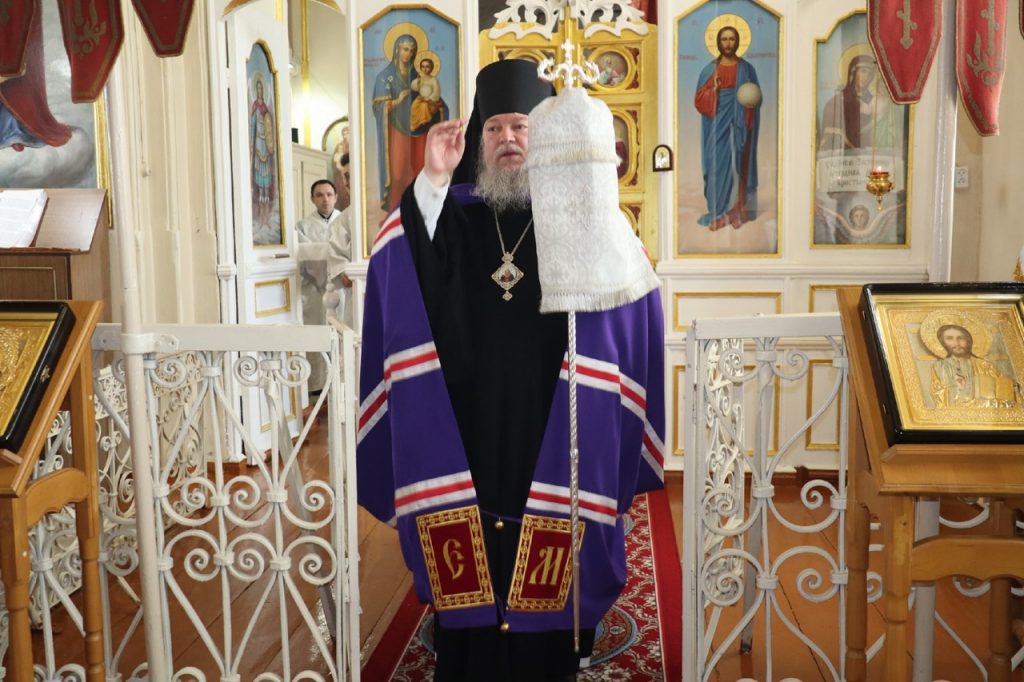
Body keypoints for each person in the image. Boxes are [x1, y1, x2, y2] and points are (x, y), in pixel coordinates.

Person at [356, 59, 665, 681]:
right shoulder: (454, 213)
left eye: (521, 126)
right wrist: (432, 177)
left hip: (553, 418)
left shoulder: (582, 214)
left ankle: (551, 659)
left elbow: (632, 294)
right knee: (469, 551)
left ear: (541, 134)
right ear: (478, 139)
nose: (508, 140)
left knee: (553, 544)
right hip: (465, 420)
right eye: (494, 128)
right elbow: (407, 258)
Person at [371, 34, 448, 214]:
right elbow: (378, 107)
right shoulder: (385, 77)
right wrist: (398, 101)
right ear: (397, 49)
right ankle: (397, 215)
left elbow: (440, 103)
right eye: (405, 49)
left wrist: (434, 106)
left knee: (421, 171)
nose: (408, 54)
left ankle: (422, 215)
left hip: (420, 131)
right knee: (398, 174)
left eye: (412, 51)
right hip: (396, 131)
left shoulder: (419, 75)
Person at [694, 25, 761, 231]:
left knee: (740, 158)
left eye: (732, 39)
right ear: (718, 42)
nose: (728, 43)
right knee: (717, 160)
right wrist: (713, 90)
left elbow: (756, 96)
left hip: (741, 118)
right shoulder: (709, 70)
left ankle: (738, 210)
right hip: (718, 117)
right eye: (724, 39)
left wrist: (749, 103)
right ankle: (718, 211)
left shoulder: (747, 69)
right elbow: (699, 100)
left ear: (738, 41)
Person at [294, 180, 352, 389]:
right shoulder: (302, 226)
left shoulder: (346, 220)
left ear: (336, 197)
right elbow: (303, 257)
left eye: (329, 194)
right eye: (319, 195)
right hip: (315, 291)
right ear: (312, 199)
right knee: (318, 333)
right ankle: (318, 387)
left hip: (342, 287)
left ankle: (343, 383)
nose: (325, 199)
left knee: (343, 331)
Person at [929, 324, 1018, 409]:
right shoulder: (939, 367)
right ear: (943, 342)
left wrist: (1011, 388)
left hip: (984, 413)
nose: (956, 343)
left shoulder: (984, 366)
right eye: (949, 338)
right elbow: (938, 395)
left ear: (968, 341)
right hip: (954, 413)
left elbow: (1003, 391)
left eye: (961, 338)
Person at [819, 54, 893, 152]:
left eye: (871, 73)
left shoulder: (874, 101)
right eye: (863, 71)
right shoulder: (836, 103)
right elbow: (832, 138)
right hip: (847, 157)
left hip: (873, 155)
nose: (867, 77)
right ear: (853, 72)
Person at [250, 78, 277, 238]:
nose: (260, 91)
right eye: (258, 88)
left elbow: (269, 130)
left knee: (266, 186)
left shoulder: (266, 109)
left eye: (261, 89)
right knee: (260, 186)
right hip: (258, 149)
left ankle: (267, 218)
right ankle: (261, 218)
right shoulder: (255, 108)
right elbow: (252, 128)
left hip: (266, 150)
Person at [411, 55, 444, 130]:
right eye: (423, 67)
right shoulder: (420, 79)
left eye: (427, 66)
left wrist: (429, 98)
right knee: (414, 106)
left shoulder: (433, 80)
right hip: (421, 99)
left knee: (424, 106)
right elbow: (414, 87)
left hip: (431, 101)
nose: (425, 69)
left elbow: (437, 91)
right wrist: (417, 81)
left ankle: (423, 123)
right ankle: (414, 124)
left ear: (431, 68)